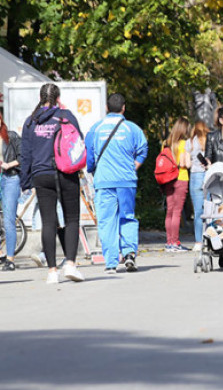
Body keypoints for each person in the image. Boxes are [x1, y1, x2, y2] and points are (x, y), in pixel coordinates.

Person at [20, 83, 86, 283]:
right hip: (66, 172)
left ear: (40, 97)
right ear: (58, 97)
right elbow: (79, 142)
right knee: (72, 218)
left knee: (48, 222)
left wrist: (26, 181)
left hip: (42, 175)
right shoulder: (66, 116)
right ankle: (71, 265)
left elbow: (26, 155)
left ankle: (51, 272)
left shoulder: (31, 122)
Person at [85, 93, 148, 273]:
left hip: (104, 181)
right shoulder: (132, 128)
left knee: (106, 221)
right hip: (127, 180)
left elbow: (89, 154)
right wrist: (133, 167)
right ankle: (129, 254)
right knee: (127, 216)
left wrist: (92, 170)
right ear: (123, 108)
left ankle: (111, 262)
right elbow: (143, 149)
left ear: (106, 108)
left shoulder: (96, 128)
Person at [161, 118, 191, 251]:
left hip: (168, 179)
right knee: (177, 212)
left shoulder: (166, 144)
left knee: (170, 211)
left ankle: (168, 242)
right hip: (181, 177)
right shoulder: (185, 144)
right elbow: (185, 164)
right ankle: (175, 242)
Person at [0, 115, 21, 271]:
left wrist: (8, 164)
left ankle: (10, 259)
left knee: (8, 218)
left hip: (10, 178)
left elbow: (23, 156)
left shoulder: (11, 136)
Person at [187, 120, 210, 251]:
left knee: (198, 211)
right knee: (210, 208)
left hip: (195, 176)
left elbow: (187, 163)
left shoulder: (189, 142)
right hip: (209, 175)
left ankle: (198, 242)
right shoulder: (210, 140)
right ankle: (211, 237)